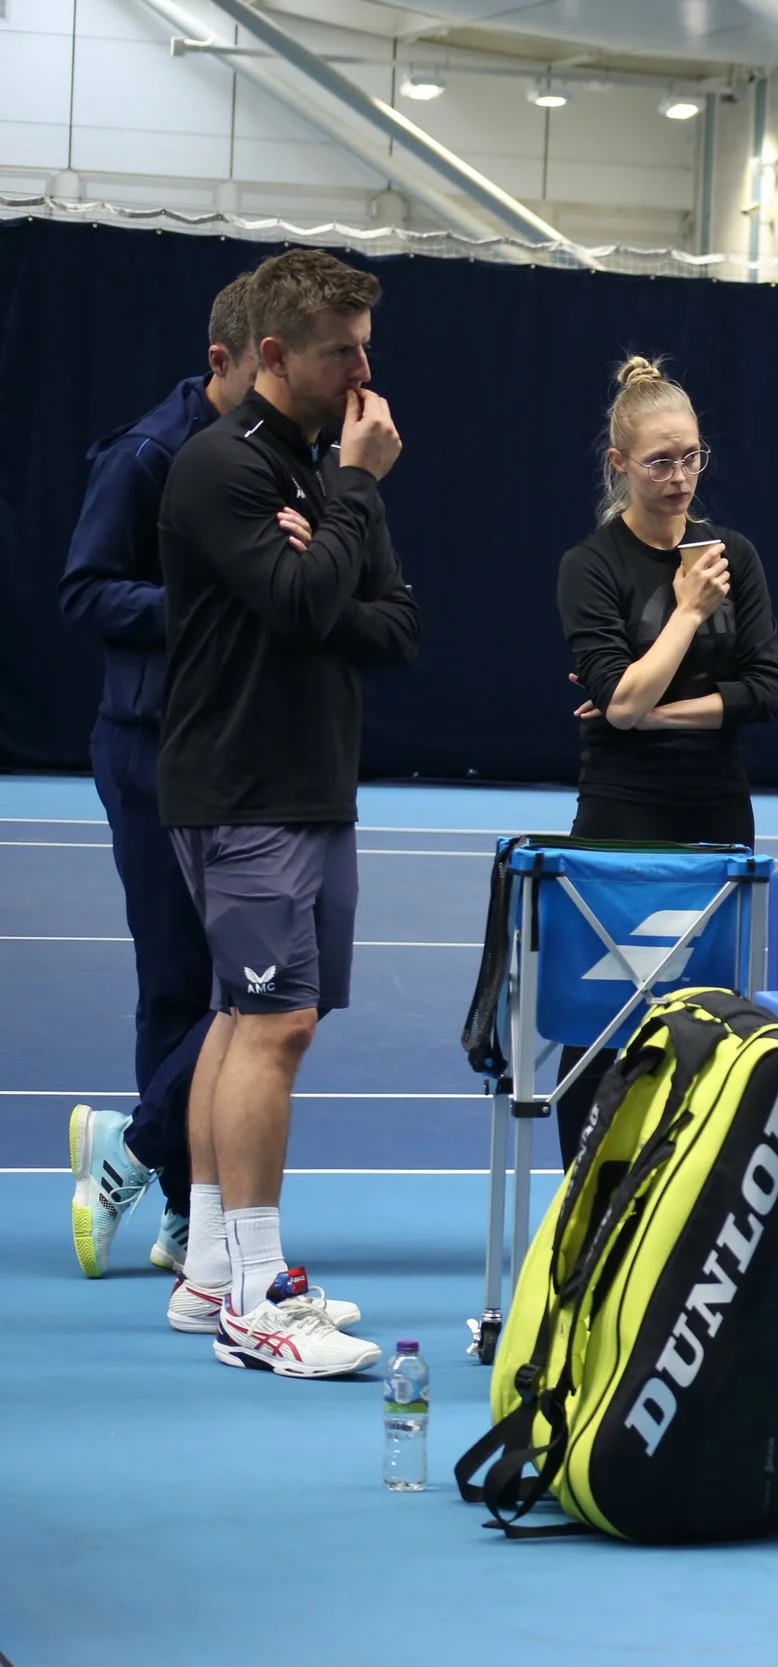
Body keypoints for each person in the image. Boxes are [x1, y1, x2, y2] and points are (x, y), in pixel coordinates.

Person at [156, 247, 421, 1379]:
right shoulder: (218, 466)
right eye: (341, 352)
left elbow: (393, 624)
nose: (363, 372)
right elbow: (312, 602)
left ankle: (213, 1270)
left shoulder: (314, 474)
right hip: (241, 783)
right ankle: (259, 1296)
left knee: (244, 1018)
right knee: (276, 1025)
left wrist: (335, 542)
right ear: (274, 355)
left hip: (310, 782)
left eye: (366, 347)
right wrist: (354, 499)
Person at [59, 272, 258, 1280]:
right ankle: (182, 1203)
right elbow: (86, 591)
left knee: (257, 985)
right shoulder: (146, 452)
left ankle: (139, 1150)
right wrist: (205, 606)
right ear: (223, 360)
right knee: (187, 985)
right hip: (147, 747)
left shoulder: (277, 456)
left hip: (235, 752)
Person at [554, 354, 778, 1165]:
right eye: (661, 461)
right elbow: (616, 701)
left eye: (693, 457)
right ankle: (587, 1182)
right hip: (622, 813)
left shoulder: (737, 555)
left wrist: (647, 712)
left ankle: (685, 1184)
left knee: (715, 1016)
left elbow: (765, 688)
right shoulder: (591, 567)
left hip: (716, 808)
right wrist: (687, 613)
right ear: (620, 465)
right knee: (602, 1019)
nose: (682, 476)